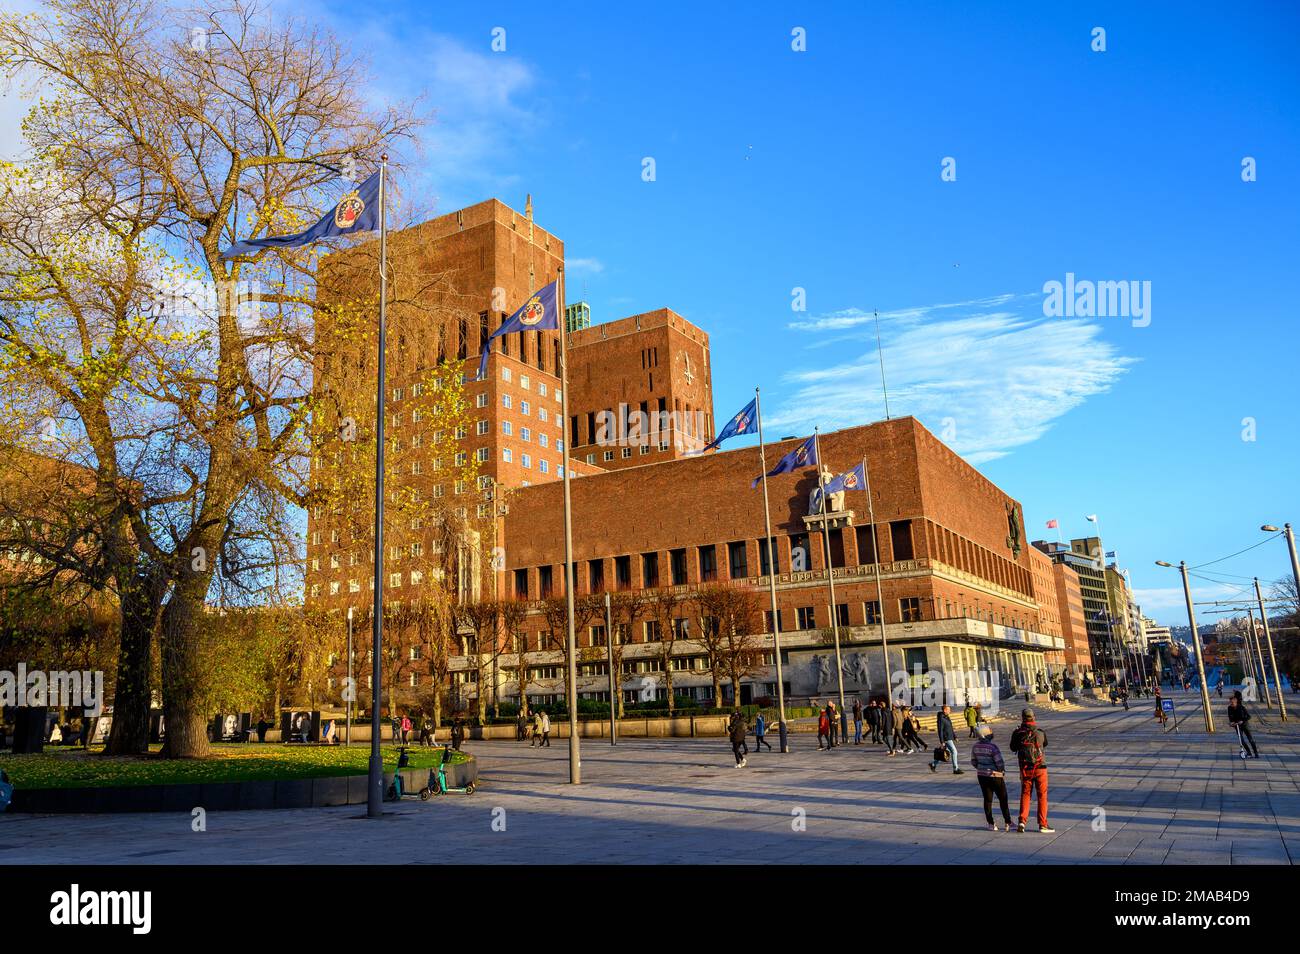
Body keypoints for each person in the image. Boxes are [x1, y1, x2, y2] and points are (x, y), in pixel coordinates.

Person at [1009, 708, 1053, 833]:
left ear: (1022, 718)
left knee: (1025, 794)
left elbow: (1013, 748)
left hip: (1025, 768)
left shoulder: (1017, 733)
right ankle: (1043, 824)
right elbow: (1045, 744)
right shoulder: (1040, 732)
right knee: (1042, 796)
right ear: (1034, 717)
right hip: (1040, 767)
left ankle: (1022, 822)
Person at [970, 723, 1012, 831]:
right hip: (995, 775)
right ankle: (1008, 822)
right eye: (990, 731)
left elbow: (973, 761)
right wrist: (1001, 771)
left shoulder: (975, 746)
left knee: (987, 799)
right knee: (1003, 799)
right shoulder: (992, 747)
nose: (991, 733)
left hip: (982, 776)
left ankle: (990, 823)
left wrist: (981, 768)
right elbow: (999, 762)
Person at [930, 704, 964, 774]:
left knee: (944, 752)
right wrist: (942, 741)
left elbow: (950, 728)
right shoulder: (941, 718)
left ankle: (933, 764)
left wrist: (955, 736)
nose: (950, 711)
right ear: (945, 710)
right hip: (946, 738)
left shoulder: (946, 717)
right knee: (954, 751)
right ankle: (955, 769)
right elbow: (940, 730)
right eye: (949, 709)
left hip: (950, 737)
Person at [1227, 691, 1259, 758]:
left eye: (1232, 703)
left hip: (1245, 725)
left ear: (1236, 702)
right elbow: (1230, 717)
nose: (1231, 704)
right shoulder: (1229, 708)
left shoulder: (1241, 708)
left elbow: (1249, 716)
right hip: (1237, 726)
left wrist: (1242, 721)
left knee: (1250, 739)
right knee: (1241, 740)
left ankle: (1256, 753)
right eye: (1230, 703)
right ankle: (1249, 753)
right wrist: (1231, 723)